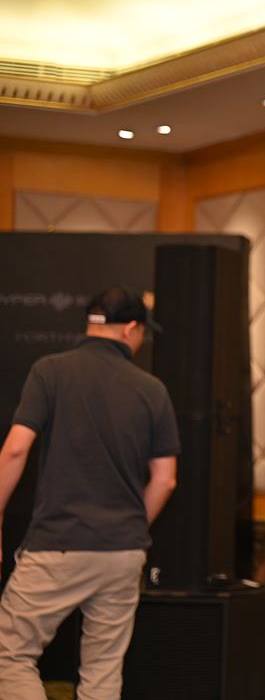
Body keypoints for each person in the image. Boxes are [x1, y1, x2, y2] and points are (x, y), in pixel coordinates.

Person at [0, 286, 179, 700]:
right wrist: (130, 527)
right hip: (122, 553)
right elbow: (165, 479)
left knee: (9, 654)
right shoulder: (152, 389)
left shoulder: (49, 371)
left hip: (57, 544)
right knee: (103, 669)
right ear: (130, 328)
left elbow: (15, 450)